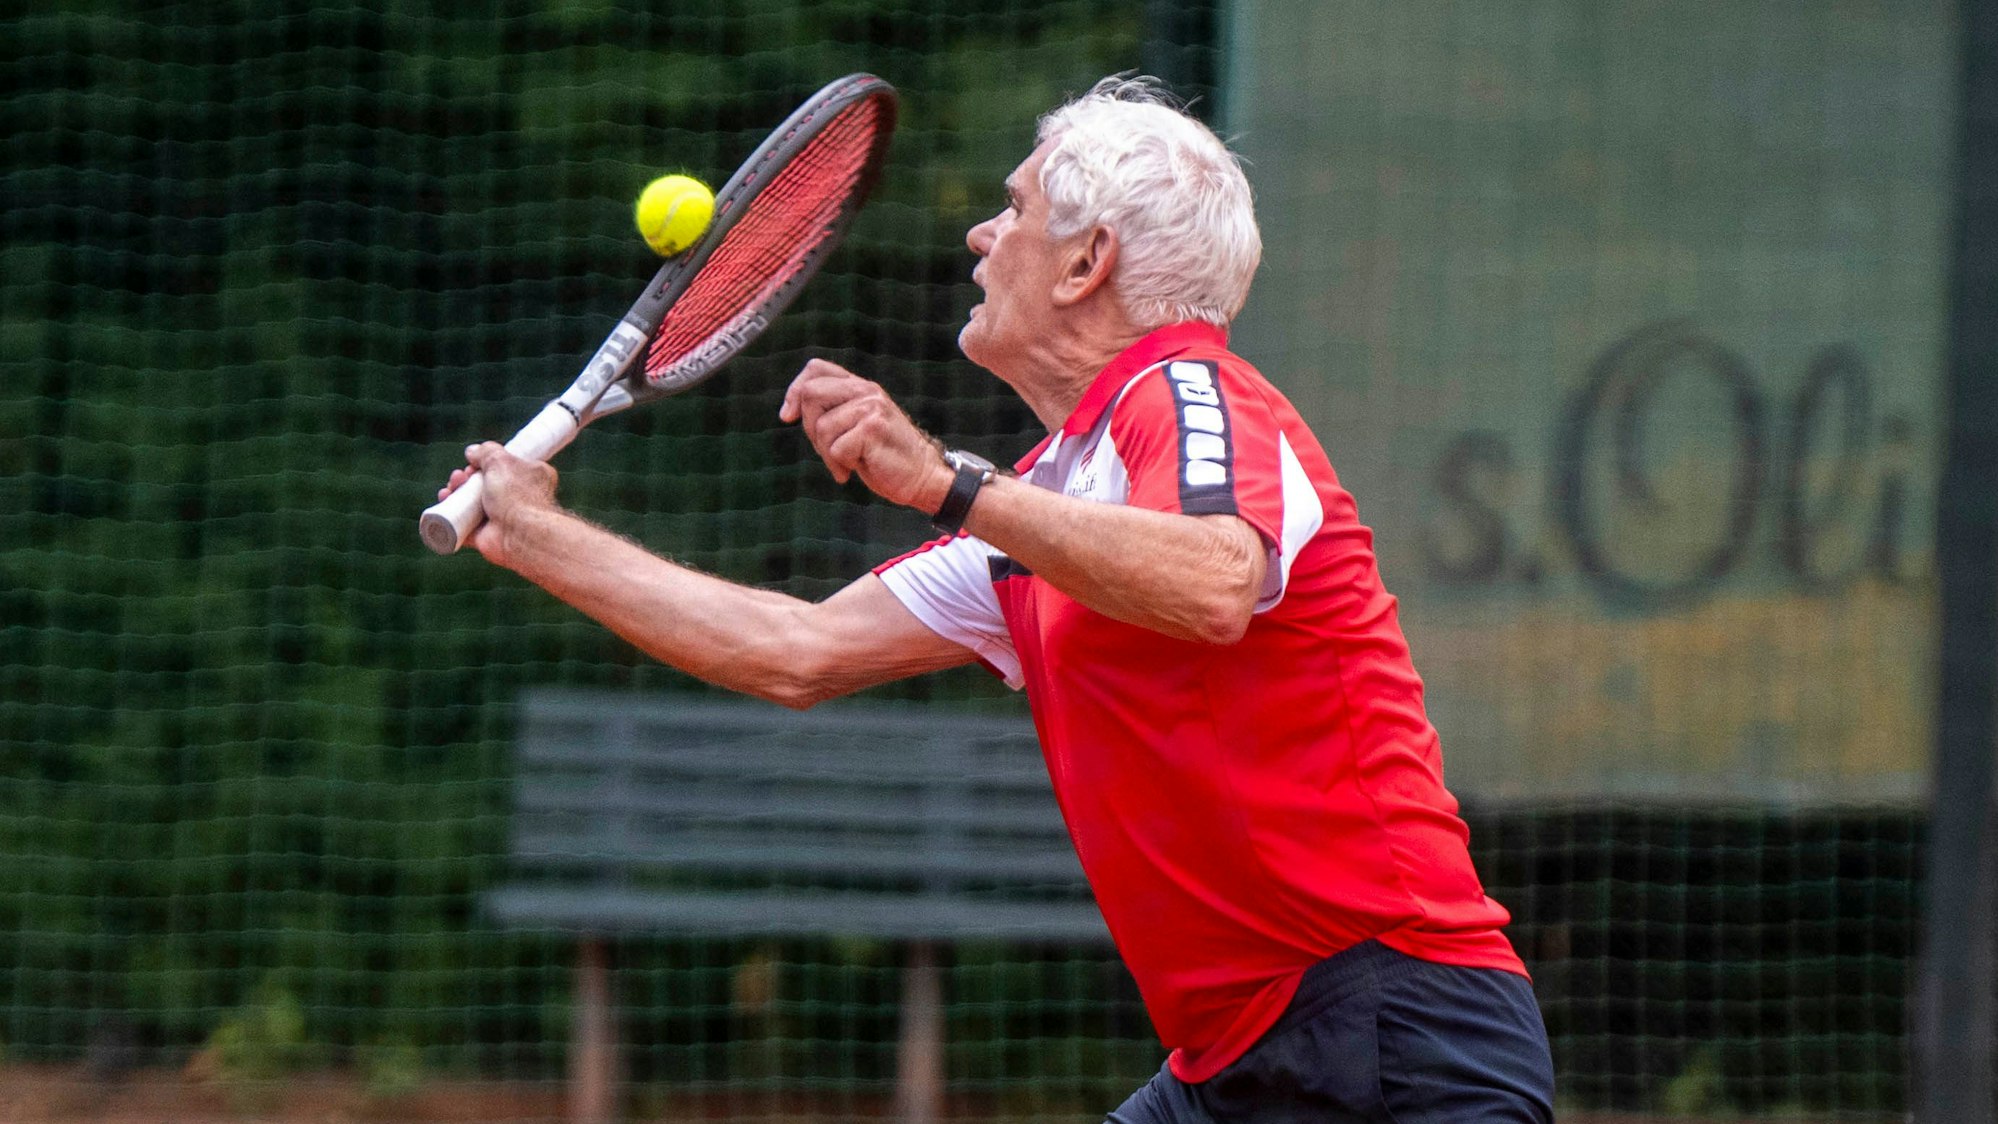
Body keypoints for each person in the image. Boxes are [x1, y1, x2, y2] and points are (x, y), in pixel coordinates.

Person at [441, 76, 1555, 1123]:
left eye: (1013, 209)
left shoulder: (1190, 387)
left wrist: (946, 484)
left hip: (1400, 1025)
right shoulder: (1039, 507)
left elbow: (1216, 579)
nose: (981, 237)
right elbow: (794, 648)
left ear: (1087, 264)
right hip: (1236, 1058)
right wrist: (539, 534)